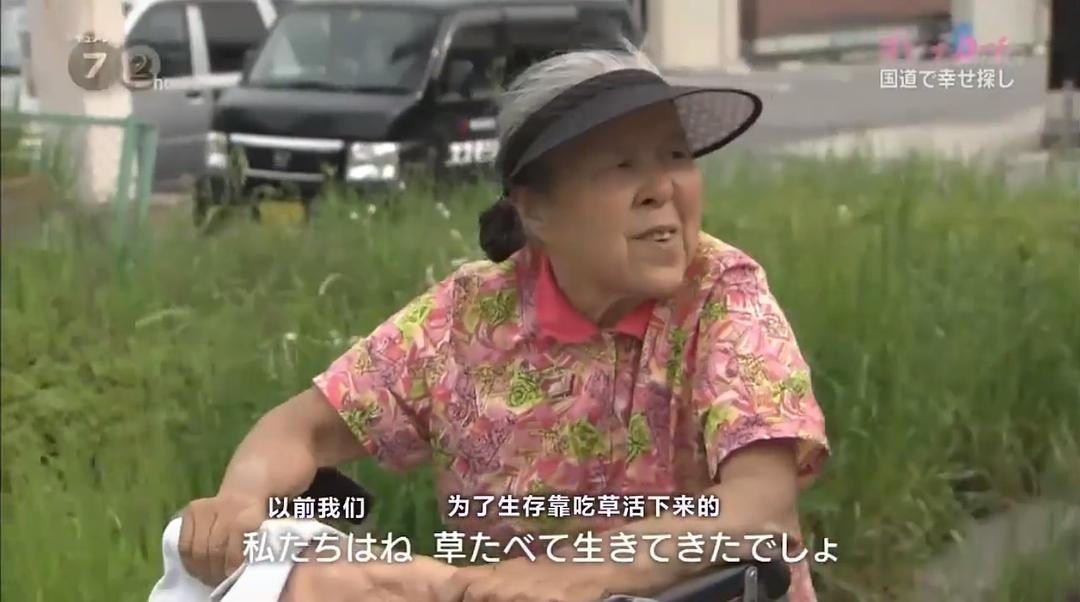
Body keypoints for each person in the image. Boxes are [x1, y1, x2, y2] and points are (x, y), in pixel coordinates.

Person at [176, 43, 830, 602]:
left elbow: (758, 509)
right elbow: (301, 430)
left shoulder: (722, 295)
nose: (662, 188)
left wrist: (568, 575)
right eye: (622, 165)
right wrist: (240, 502)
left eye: (676, 155)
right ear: (536, 210)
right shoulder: (468, 317)